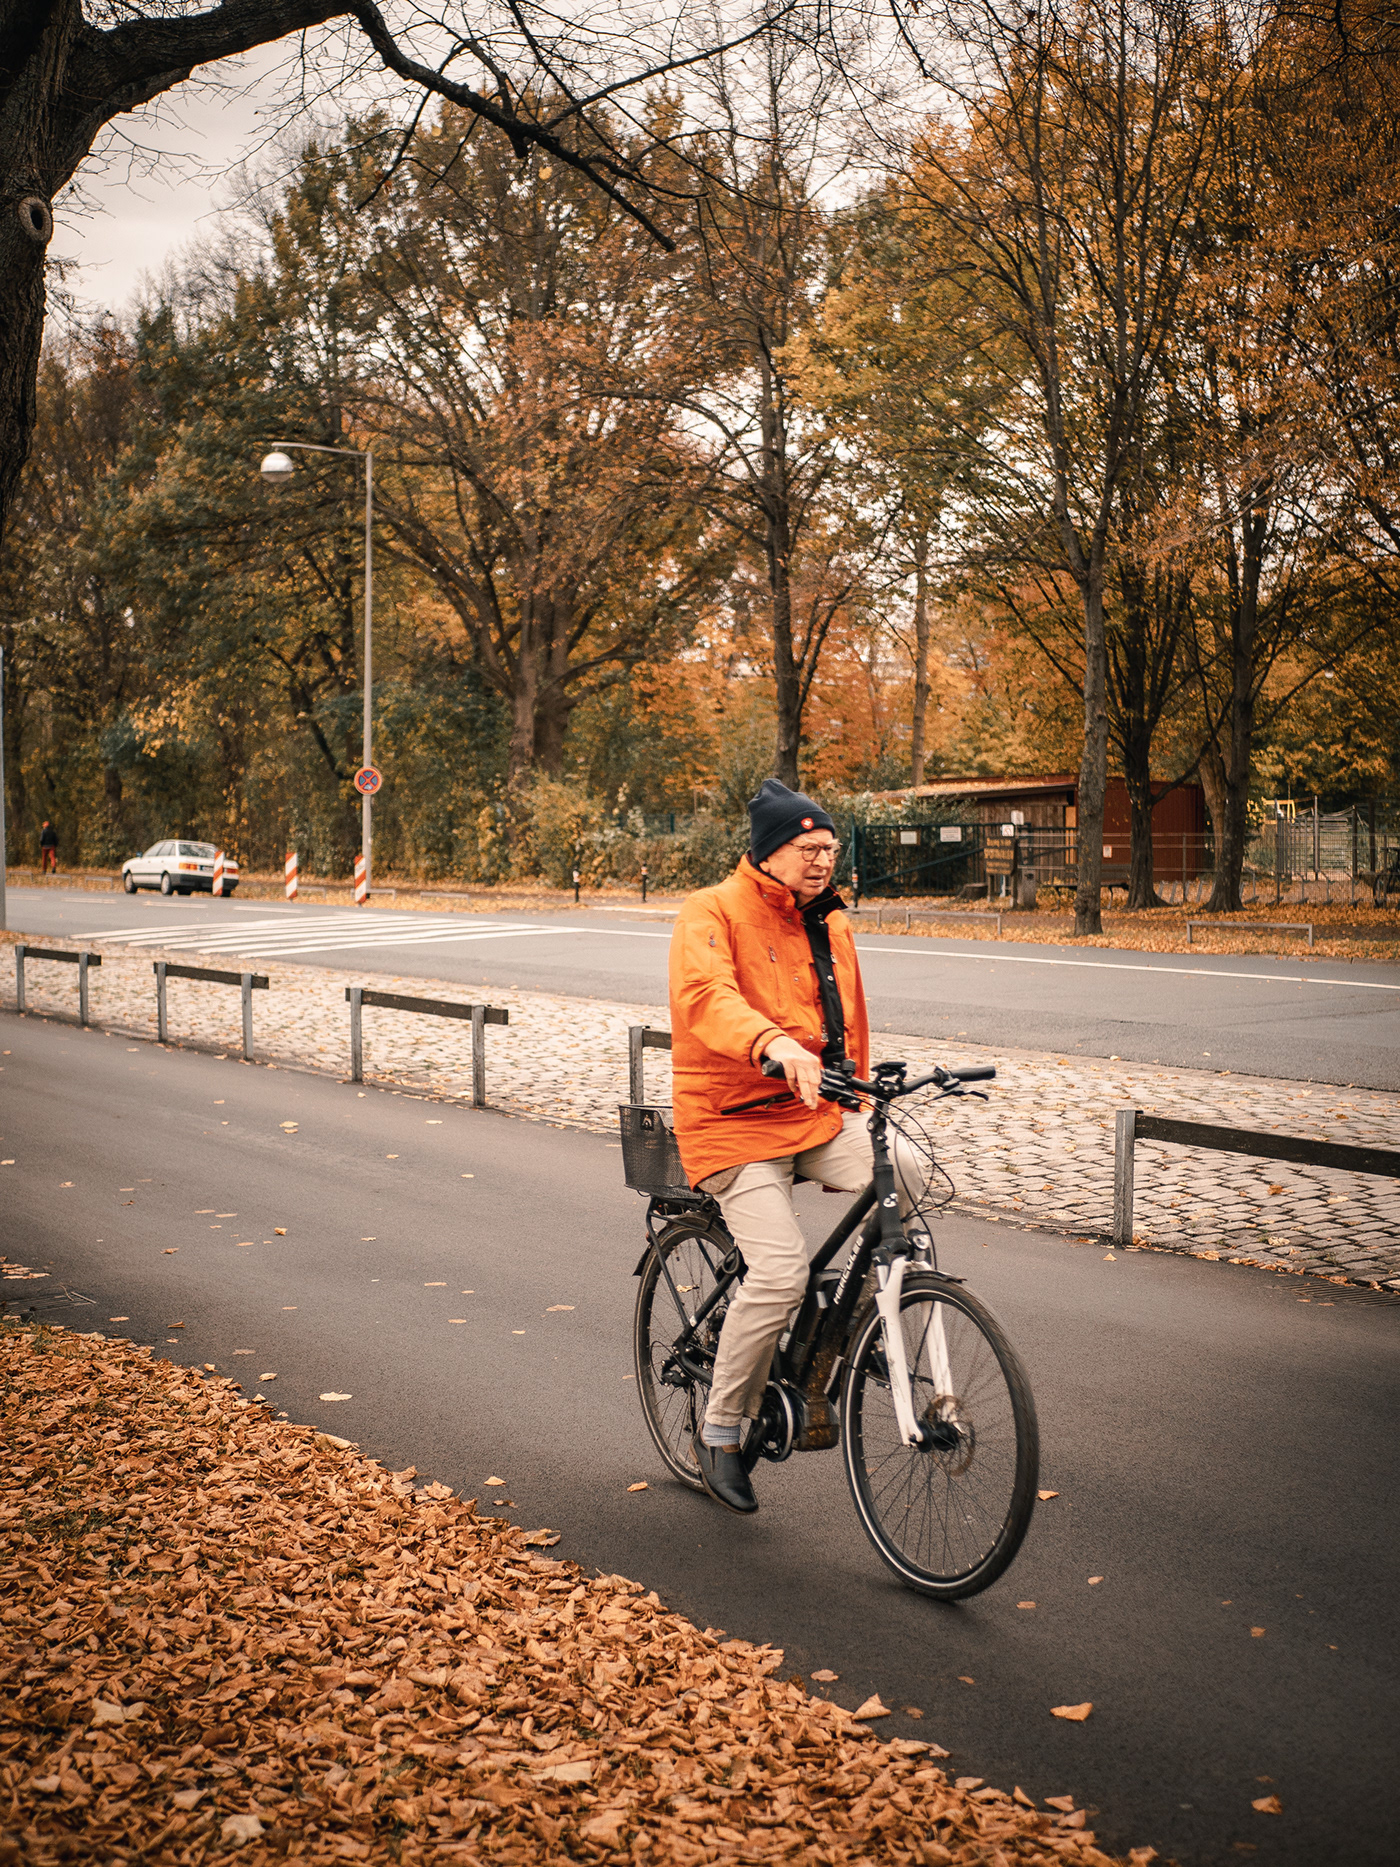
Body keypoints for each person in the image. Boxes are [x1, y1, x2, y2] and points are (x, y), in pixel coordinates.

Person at [668, 778, 873, 1514]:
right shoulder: (711, 910)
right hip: (729, 1118)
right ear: (769, 850)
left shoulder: (831, 921)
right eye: (808, 848)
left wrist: (863, 1089)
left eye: (830, 848)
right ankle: (721, 1430)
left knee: (905, 1170)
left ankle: (853, 1312)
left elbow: (846, 1022)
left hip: (810, 1110)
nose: (823, 861)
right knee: (781, 1270)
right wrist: (770, 1040)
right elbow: (703, 995)